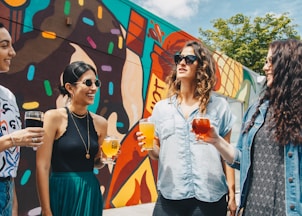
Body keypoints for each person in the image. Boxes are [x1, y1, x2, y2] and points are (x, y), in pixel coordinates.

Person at [202, 38, 302, 216]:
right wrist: (216, 140)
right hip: (253, 209)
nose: (265, 67)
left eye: (271, 61)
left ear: (288, 63)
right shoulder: (257, 109)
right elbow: (241, 160)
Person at [137, 40, 237, 216]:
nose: (182, 63)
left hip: (210, 197)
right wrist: (149, 145)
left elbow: (227, 155)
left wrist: (232, 194)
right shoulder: (161, 108)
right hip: (170, 197)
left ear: (202, 66)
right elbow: (156, 154)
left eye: (189, 59)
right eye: (179, 58)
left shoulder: (219, 106)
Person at [36, 61, 108, 216]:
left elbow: (96, 162)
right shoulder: (53, 117)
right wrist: (46, 209)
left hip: (89, 192)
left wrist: (105, 159)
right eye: (88, 83)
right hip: (62, 191)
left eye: (97, 83)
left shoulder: (101, 123)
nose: (94, 88)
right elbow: (42, 166)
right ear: (70, 88)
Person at [0, 22, 45, 216]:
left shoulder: (7, 95)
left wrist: (12, 201)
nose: (12, 52)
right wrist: (14, 139)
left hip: (7, 188)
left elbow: (10, 159)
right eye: (4, 45)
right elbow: (11, 142)